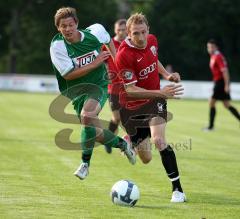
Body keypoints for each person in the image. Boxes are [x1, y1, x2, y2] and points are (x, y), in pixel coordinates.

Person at [49, 7, 136, 180]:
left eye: (70, 25)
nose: (67, 29)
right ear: (58, 28)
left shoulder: (95, 32)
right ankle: (122, 144)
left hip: (98, 84)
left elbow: (108, 41)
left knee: (87, 115)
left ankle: (84, 165)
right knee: (95, 132)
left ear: (77, 24)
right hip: (76, 92)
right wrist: (95, 62)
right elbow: (68, 74)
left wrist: (118, 63)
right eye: (63, 26)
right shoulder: (57, 46)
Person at [115, 13, 186, 202]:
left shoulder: (152, 41)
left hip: (155, 101)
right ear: (128, 35)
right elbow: (130, 90)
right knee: (146, 159)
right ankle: (129, 139)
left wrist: (167, 75)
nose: (141, 38)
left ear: (149, 30)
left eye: (143, 32)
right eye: (136, 34)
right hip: (133, 107)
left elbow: (154, 59)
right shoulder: (124, 55)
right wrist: (161, 92)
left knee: (159, 140)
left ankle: (177, 190)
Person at [102, 19, 127, 153]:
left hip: (129, 87)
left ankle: (129, 144)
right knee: (117, 118)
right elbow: (101, 60)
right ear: (115, 30)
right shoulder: (108, 44)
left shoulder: (131, 44)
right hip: (113, 87)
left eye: (124, 29)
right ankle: (109, 139)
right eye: (119, 29)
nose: (121, 32)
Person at [204, 39, 240, 131]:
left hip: (221, 82)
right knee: (226, 104)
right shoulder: (213, 56)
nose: (210, 49)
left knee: (211, 102)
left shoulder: (218, 56)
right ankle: (211, 126)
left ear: (216, 47)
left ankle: (211, 127)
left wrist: (227, 85)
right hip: (218, 82)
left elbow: (225, 71)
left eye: (212, 47)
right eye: (208, 47)